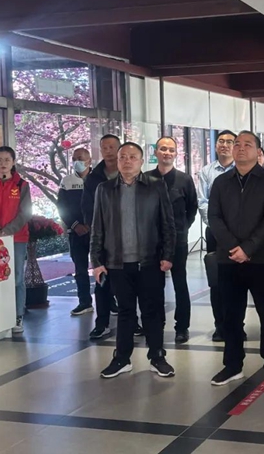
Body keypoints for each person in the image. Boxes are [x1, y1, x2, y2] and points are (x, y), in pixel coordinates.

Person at [91, 142, 176, 379]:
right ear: (117, 161)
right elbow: (97, 227)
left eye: (132, 157)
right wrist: (96, 261)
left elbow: (168, 223)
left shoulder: (156, 186)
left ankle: (157, 356)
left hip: (149, 261)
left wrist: (168, 255)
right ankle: (121, 358)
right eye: (123, 157)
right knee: (125, 312)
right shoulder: (104, 189)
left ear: (141, 161)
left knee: (152, 311)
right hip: (117, 263)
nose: (127, 161)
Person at [208, 131, 264, 388]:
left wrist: (248, 248)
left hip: (262, 259)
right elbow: (214, 217)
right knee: (231, 315)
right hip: (229, 259)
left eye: (247, 144)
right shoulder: (221, 182)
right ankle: (232, 365)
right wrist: (233, 247)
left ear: (258, 151)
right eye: (237, 144)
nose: (240, 148)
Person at [147, 136, 198, 344]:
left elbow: (192, 208)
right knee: (153, 286)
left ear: (176, 154)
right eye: (163, 149)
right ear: (156, 152)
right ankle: (155, 325)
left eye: (171, 150)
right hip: (152, 242)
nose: (167, 153)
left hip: (178, 241)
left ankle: (182, 327)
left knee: (180, 283)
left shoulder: (184, 180)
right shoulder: (146, 179)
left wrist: (182, 229)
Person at [0, 146, 32, 334]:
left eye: (7, 160)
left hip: (17, 238)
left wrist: (8, 231)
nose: (2, 163)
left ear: (13, 162)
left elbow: (25, 213)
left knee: (16, 277)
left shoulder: (21, 185)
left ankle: (18, 315)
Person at [82, 134, 126, 340]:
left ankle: (131, 321)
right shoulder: (94, 178)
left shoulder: (129, 172)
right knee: (102, 282)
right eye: (104, 148)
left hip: (128, 238)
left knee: (127, 284)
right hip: (103, 238)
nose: (108, 151)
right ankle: (102, 323)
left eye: (112, 147)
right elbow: (87, 208)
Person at [198, 130, 237, 342]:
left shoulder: (242, 169)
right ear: (215, 145)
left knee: (239, 281)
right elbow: (202, 202)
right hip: (215, 233)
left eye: (230, 141)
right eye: (221, 141)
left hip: (240, 234)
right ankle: (220, 326)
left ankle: (237, 325)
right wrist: (217, 226)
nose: (224, 145)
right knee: (217, 281)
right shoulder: (206, 172)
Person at [57, 148, 93, 316]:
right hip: (75, 233)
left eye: (80, 158)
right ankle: (84, 302)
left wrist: (91, 225)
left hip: (96, 232)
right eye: (74, 159)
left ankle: (110, 302)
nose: (77, 161)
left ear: (89, 160)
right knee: (80, 269)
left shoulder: (97, 179)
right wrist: (75, 225)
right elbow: (62, 206)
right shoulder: (67, 181)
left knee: (103, 267)